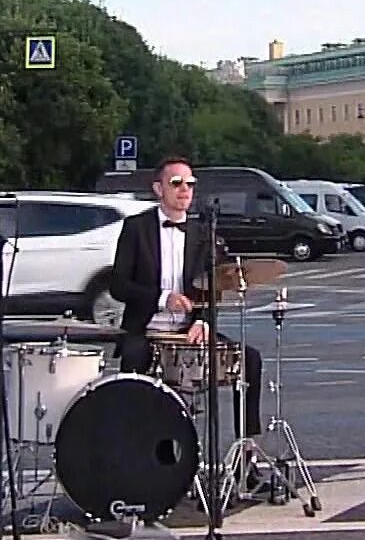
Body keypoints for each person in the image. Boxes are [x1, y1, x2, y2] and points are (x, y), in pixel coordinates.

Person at [109, 157, 264, 435]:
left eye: (190, 184)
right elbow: (118, 286)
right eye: (176, 183)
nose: (185, 190)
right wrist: (162, 298)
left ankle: (247, 451)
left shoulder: (202, 233)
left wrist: (202, 321)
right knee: (133, 362)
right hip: (147, 330)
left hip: (188, 330)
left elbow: (215, 285)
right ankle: (134, 447)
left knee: (250, 359)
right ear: (159, 189)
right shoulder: (136, 228)